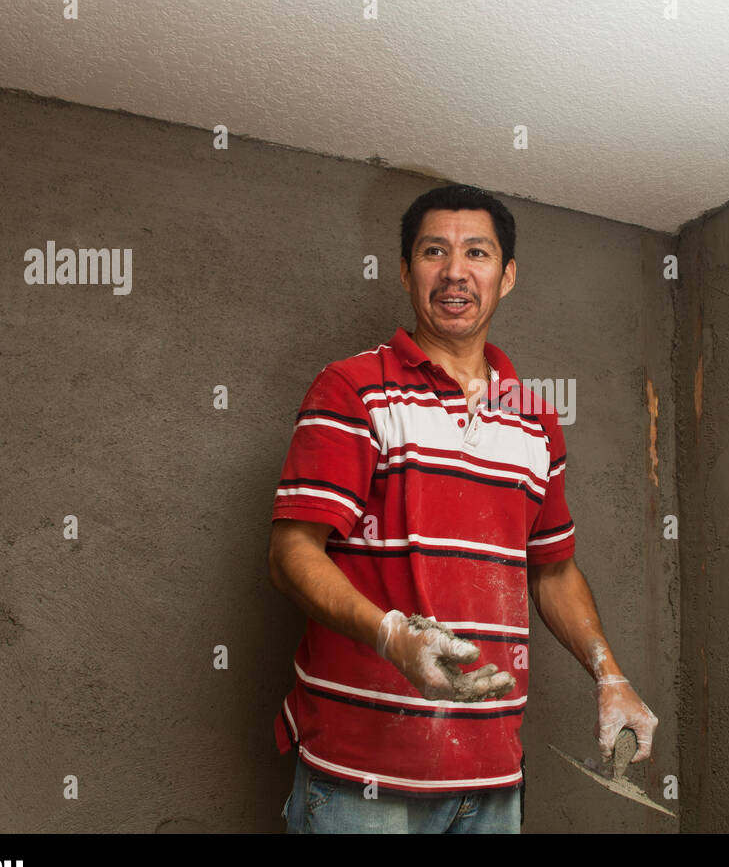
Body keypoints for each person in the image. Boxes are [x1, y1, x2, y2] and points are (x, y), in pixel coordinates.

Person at [267, 183, 658, 833]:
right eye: (433, 252)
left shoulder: (535, 420)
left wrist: (609, 674)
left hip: (492, 774)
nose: (455, 271)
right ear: (405, 271)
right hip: (362, 775)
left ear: (506, 277)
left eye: (476, 253)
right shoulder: (354, 389)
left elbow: (553, 571)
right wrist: (393, 636)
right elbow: (291, 554)